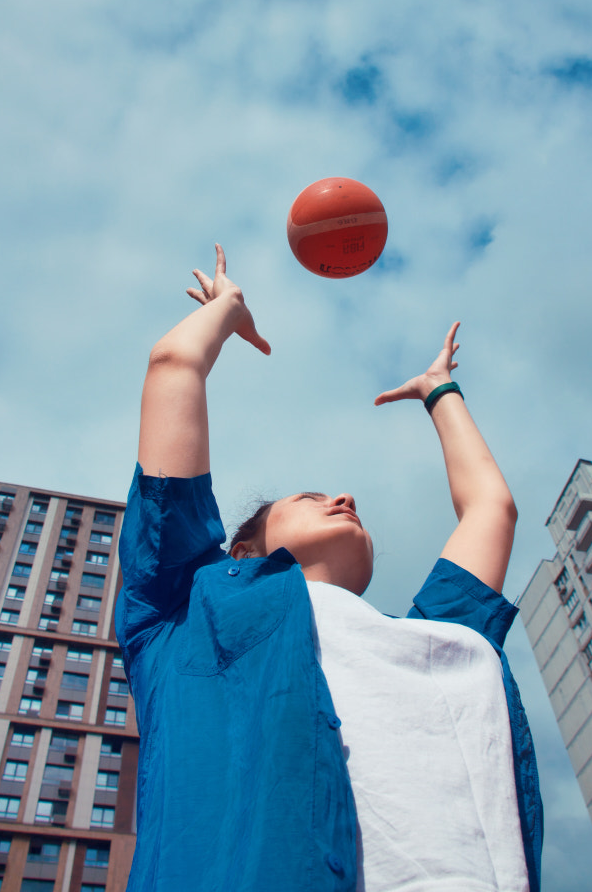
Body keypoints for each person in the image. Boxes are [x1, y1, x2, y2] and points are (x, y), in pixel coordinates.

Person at [115, 245, 542, 892]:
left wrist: (438, 392)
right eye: (310, 499)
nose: (343, 499)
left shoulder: (437, 637)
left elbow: (491, 507)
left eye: (346, 503)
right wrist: (227, 310)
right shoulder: (185, 605)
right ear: (242, 553)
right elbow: (173, 366)